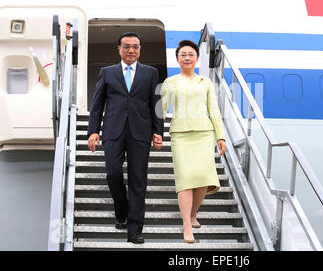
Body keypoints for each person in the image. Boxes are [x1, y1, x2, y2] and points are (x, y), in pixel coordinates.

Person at [87, 32, 163, 244]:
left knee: (138, 181)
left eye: (136, 47)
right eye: (127, 46)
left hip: (140, 131)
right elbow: (97, 105)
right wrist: (93, 131)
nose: (131, 50)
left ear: (140, 49)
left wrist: (158, 132)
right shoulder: (107, 72)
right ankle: (122, 210)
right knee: (112, 173)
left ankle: (135, 230)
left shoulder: (151, 73)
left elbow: (156, 105)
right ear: (119, 49)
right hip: (113, 130)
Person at [160, 40, 226, 244]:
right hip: (180, 134)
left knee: (203, 180)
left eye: (190, 54)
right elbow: (160, 110)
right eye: (183, 55)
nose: (187, 58)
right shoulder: (170, 82)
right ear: (177, 59)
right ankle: (187, 226)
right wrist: (155, 133)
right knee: (185, 179)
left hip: (204, 133)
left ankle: (192, 214)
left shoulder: (205, 82)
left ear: (197, 59)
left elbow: (213, 110)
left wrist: (220, 136)